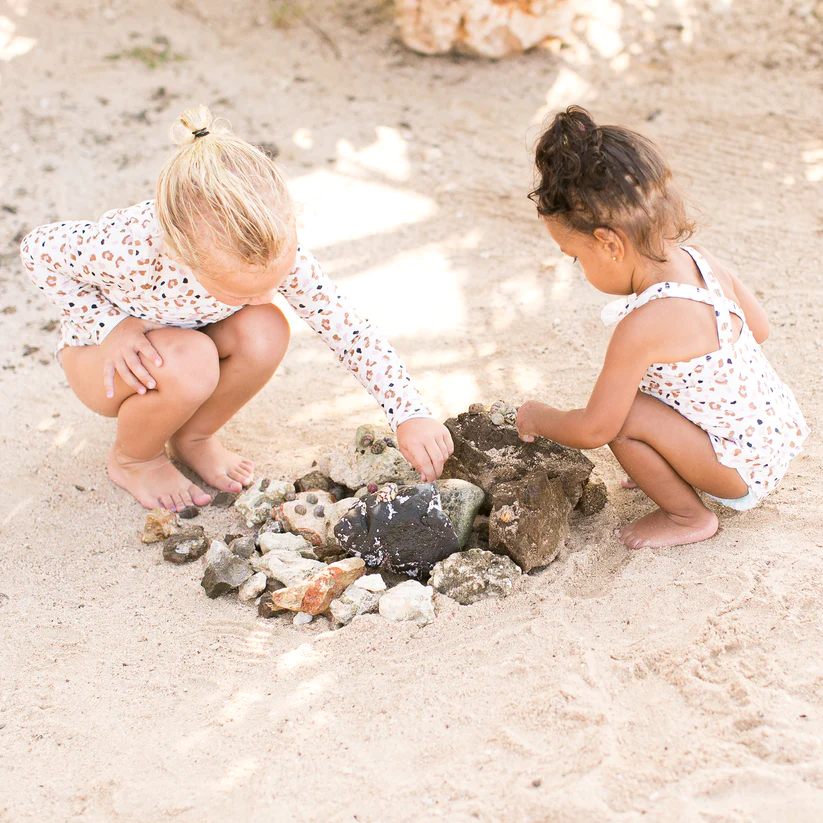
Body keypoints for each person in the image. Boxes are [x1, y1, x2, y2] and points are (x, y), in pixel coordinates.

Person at [22, 105, 453, 512]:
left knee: (266, 328)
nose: (261, 296)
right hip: (102, 359)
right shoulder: (131, 245)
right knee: (193, 359)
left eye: (273, 280)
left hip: (182, 342)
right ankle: (135, 458)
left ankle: (194, 436)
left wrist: (408, 413)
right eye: (241, 292)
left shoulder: (274, 246)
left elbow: (349, 331)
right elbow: (36, 249)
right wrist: (110, 326)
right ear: (181, 254)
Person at [515, 106, 809, 549]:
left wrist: (539, 415)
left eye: (575, 257)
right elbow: (759, 329)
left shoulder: (643, 326)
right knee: (654, 389)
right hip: (773, 437)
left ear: (609, 244)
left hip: (736, 472)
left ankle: (686, 515)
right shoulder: (701, 259)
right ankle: (675, 461)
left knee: (625, 416)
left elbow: (594, 429)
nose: (578, 267)